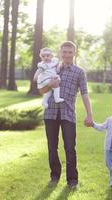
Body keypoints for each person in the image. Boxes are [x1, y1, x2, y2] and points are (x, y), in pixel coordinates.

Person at [39, 41, 94, 189]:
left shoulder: (79, 72)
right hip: (50, 113)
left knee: (70, 147)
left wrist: (89, 115)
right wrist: (50, 84)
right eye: (64, 52)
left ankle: (72, 180)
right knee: (52, 146)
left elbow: (85, 94)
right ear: (60, 53)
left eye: (70, 52)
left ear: (74, 53)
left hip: (68, 114)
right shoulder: (51, 69)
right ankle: (54, 176)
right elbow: (41, 91)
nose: (67, 55)